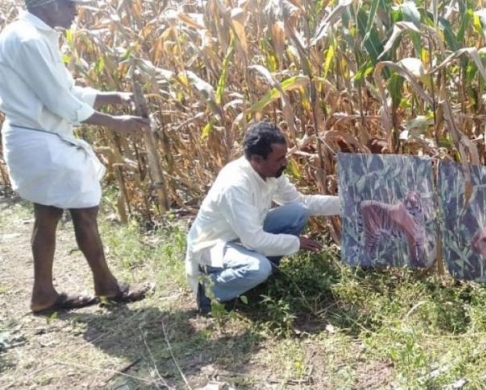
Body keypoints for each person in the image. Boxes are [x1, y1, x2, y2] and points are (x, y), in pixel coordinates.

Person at [0, 0, 154, 314]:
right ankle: (107, 287)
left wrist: (115, 98)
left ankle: (43, 294)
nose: (75, 12)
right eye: (70, 5)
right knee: (84, 210)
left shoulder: (32, 35)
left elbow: (65, 89)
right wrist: (116, 123)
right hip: (41, 141)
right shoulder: (29, 40)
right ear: (49, 4)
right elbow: (59, 101)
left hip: (37, 138)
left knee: (47, 215)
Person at [185, 121, 340, 314]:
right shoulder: (235, 186)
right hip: (214, 247)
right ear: (257, 159)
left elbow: (303, 202)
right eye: (279, 158)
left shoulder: (270, 172)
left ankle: (257, 279)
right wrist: (296, 242)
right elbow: (254, 240)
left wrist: (347, 204)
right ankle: (207, 292)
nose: (285, 163)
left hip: (243, 236)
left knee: (298, 211)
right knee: (257, 268)